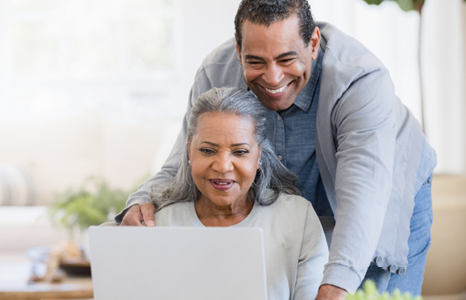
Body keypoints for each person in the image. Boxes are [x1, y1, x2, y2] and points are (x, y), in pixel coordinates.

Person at [116, 0, 437, 299]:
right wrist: (142, 200)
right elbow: (183, 161)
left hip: (380, 185)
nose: (272, 78)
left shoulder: (360, 78)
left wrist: (336, 285)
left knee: (364, 286)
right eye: (256, 61)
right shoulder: (216, 72)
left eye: (286, 59)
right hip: (291, 194)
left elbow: (363, 198)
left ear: (312, 44)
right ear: (239, 49)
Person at [150, 86, 329, 300]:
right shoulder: (157, 224)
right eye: (208, 150)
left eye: (240, 152)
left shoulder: (297, 219)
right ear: (189, 150)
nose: (223, 166)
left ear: (259, 154)